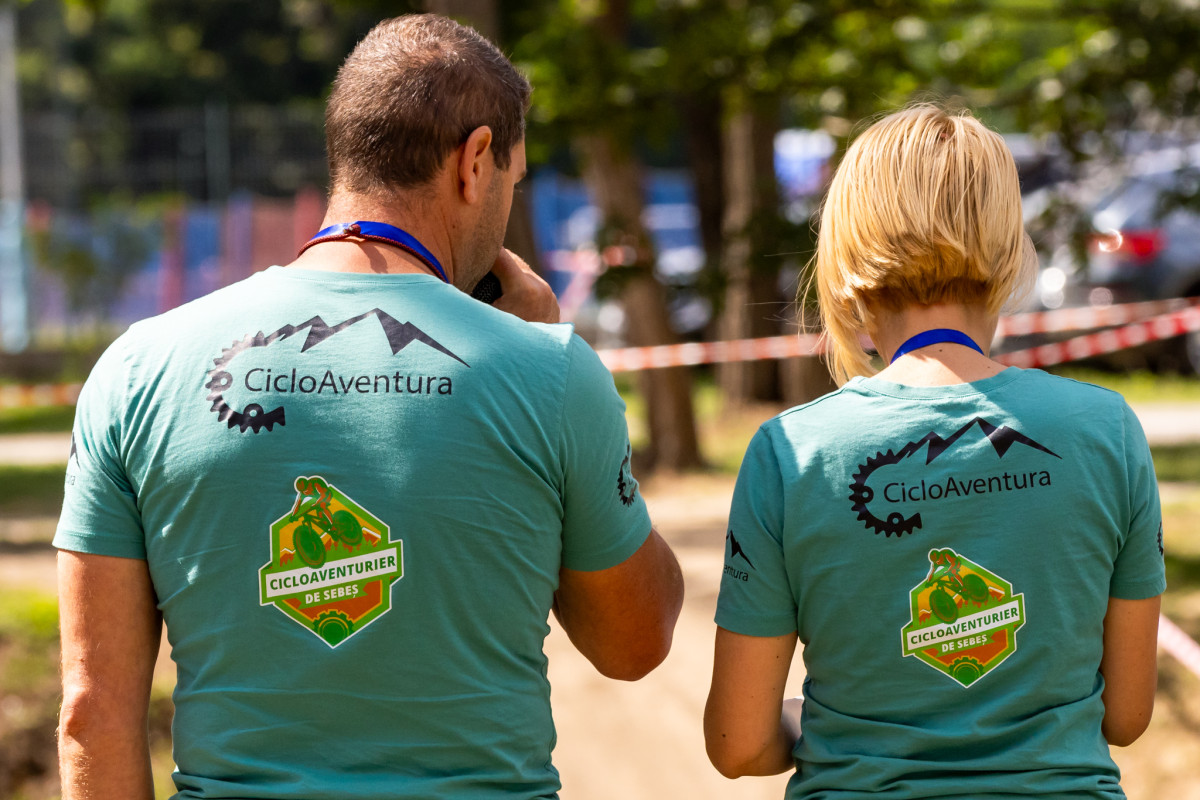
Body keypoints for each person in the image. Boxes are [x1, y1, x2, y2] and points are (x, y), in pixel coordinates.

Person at [55, 14, 683, 800]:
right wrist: (541, 350)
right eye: (513, 182)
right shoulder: (546, 368)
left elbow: (91, 713)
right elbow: (634, 642)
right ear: (475, 161)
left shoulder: (136, 370)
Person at [705, 105, 1163, 798]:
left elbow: (737, 744)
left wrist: (823, 727)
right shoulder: (1107, 429)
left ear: (847, 260)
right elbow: (1127, 716)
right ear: (1009, 251)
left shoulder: (791, 452)